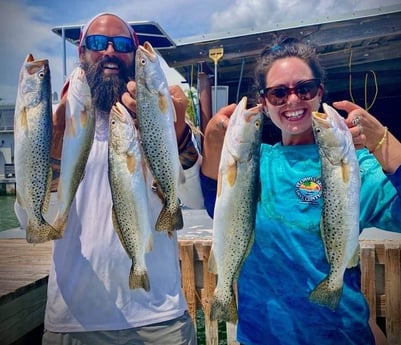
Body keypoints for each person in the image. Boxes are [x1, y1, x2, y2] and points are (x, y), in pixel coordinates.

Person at [15, 13, 203, 345]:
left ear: (134, 54)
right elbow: (31, 218)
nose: (110, 52)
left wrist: (177, 136)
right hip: (74, 321)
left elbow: (194, 202)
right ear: (81, 53)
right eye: (98, 43)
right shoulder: (60, 121)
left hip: (160, 316)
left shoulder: (163, 119)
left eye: (122, 45)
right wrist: (53, 151)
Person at [200, 37, 401, 345]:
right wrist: (214, 140)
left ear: (319, 92)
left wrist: (384, 143)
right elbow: (219, 207)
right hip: (262, 337)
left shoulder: (359, 165)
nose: (292, 100)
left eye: (304, 88)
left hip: (342, 336)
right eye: (279, 93)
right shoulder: (257, 161)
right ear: (265, 103)